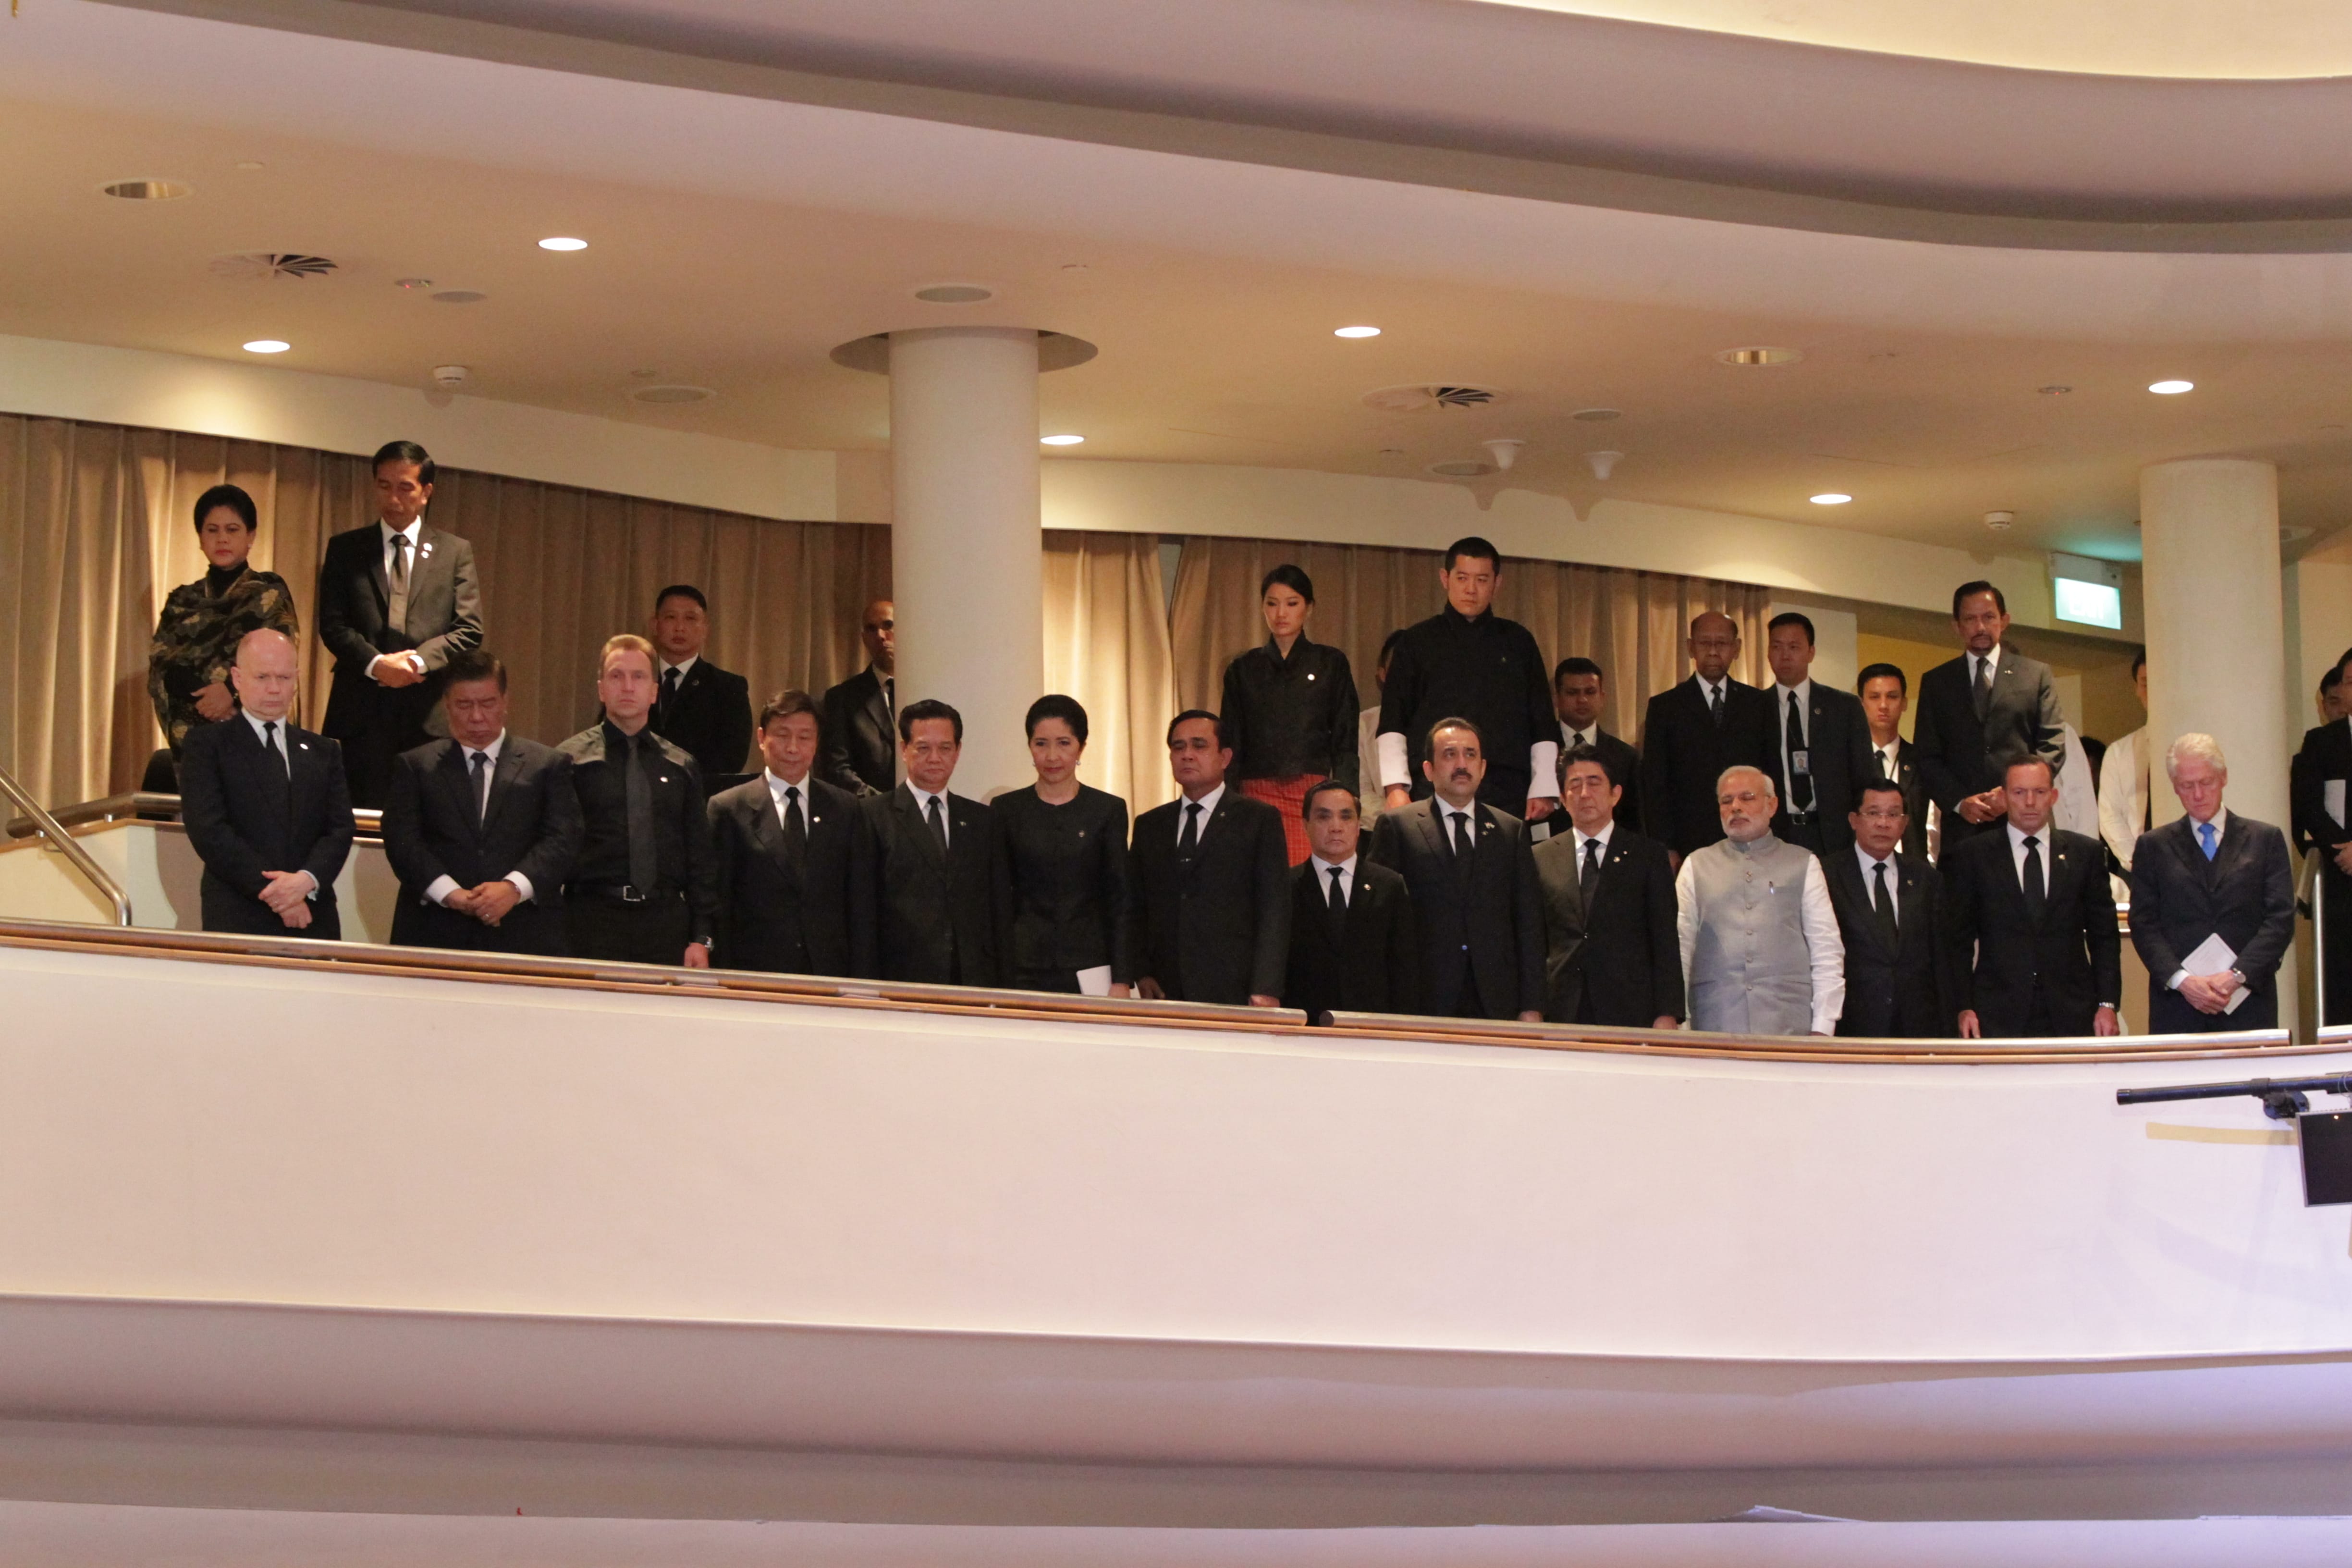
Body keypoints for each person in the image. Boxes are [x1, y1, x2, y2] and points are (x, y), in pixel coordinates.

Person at [315, 440, 485, 808]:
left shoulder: (454, 552)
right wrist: (378, 665)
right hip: (360, 714)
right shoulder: (346, 549)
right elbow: (333, 625)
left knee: (427, 820)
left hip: (428, 716)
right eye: (384, 486)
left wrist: (415, 663)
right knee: (358, 821)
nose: (393, 498)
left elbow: (469, 629)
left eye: (405, 488)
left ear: (426, 492)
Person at [379, 649, 581, 956]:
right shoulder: (416, 766)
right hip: (434, 929)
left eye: (487, 704)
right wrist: (451, 894)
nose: (476, 717)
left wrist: (512, 889)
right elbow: (402, 840)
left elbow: (563, 839)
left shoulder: (547, 765)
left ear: (505, 701)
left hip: (525, 931)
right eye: (464, 705)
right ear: (447, 705)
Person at [176, 628, 353, 938]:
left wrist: (305, 881)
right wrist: (281, 896)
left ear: (296, 679)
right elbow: (210, 830)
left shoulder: (323, 750)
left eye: (284, 678)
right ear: (237, 678)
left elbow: (339, 829)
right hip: (239, 911)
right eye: (262, 677)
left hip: (314, 910)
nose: (274, 689)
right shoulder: (208, 745)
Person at [1368, 718, 1546, 1021]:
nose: (1462, 764)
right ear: (1428, 770)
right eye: (1450, 755)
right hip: (1420, 997)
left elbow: (1528, 923)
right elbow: (1377, 922)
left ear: (1483, 767)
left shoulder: (1510, 831)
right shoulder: (1398, 827)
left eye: (1470, 754)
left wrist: (1532, 1005)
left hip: (1496, 999)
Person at [557, 634, 718, 967]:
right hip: (591, 922)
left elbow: (700, 858)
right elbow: (554, 849)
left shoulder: (681, 766)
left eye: (639, 677)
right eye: (617, 676)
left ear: (655, 691)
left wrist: (701, 936)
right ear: (602, 689)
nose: (628, 687)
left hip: (666, 925)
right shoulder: (568, 761)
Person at [1375, 537, 1558, 821]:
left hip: (1506, 785)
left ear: (1497, 583)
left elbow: (1542, 718)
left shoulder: (1518, 642)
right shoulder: (1416, 642)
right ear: (1445, 578)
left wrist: (1544, 786)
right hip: (1432, 783)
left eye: (1482, 580)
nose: (1471, 589)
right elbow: (1393, 720)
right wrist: (1395, 788)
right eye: (1462, 578)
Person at [1943, 757, 2120, 1039]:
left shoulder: (2085, 854)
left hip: (2073, 1010)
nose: (2029, 802)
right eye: (2019, 792)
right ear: (2003, 797)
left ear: (2053, 797)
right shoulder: (1973, 856)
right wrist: (1964, 1007)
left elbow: (2104, 937)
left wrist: (2107, 1004)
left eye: (2039, 792)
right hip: (1996, 1012)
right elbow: (1957, 941)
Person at [2130, 735, 2295, 1034]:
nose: (2198, 795)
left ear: (2223, 778)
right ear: (2175, 787)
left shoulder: (2264, 840)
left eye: (2206, 783)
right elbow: (2143, 924)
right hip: (2179, 1007)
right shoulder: (2153, 847)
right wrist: (2183, 981)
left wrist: (2237, 975)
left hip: (2248, 1003)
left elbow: (2280, 919)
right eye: (2187, 786)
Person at [1126, 710, 1292, 1006]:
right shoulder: (1150, 825)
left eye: (1199, 745)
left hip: (1235, 986)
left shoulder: (1258, 820)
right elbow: (1136, 906)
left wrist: (1266, 986)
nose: (1187, 755)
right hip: (1164, 989)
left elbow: (1274, 909)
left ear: (1225, 757)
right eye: (1178, 747)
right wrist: (1141, 971)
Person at [706, 689, 869, 978]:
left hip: (829, 970)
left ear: (817, 743)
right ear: (761, 738)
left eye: (805, 737)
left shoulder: (845, 808)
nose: (793, 748)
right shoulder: (729, 808)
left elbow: (857, 903)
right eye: (782, 735)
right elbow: (720, 902)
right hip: (754, 971)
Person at [1675, 766, 1843, 1035]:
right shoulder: (1696, 865)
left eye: (1748, 798)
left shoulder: (1804, 863)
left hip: (1790, 1025)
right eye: (1727, 801)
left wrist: (1824, 1025)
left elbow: (1826, 948)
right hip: (1713, 1023)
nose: (1736, 807)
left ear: (1772, 805)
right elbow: (1679, 949)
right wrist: (1681, 1023)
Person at [858, 698, 1010, 986]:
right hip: (901, 978)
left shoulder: (983, 820)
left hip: (973, 978)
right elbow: (863, 910)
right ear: (904, 749)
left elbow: (998, 909)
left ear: (958, 751)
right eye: (923, 748)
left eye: (945, 748)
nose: (935, 758)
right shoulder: (872, 815)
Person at [1911, 581, 2065, 862]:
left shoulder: (2035, 675)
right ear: (1957, 626)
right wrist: (1959, 802)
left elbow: (2052, 744)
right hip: (1962, 828)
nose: (1980, 627)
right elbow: (1927, 755)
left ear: (2004, 621)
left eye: (1989, 617)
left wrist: (2013, 794)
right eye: (1970, 619)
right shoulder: (1937, 682)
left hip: (2025, 820)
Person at [147, 483, 300, 760]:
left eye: (232, 530)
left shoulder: (268, 593)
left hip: (253, 742)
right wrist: (207, 700)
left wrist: (230, 692)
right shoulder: (182, 600)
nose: (222, 539)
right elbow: (163, 666)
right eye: (212, 530)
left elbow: (280, 660)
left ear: (251, 536)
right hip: (195, 741)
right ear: (200, 537)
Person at [1532, 746, 1681, 1029]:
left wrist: (1668, 1012)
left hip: (1632, 1008)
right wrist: (1532, 1006)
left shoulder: (1648, 856)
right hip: (1562, 1008)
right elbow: (1533, 941)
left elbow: (1664, 939)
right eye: (1575, 785)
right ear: (1563, 799)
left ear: (1616, 793)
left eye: (1594, 782)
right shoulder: (1541, 857)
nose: (1584, 793)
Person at [993, 695, 1133, 995]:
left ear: (1081, 747)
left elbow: (1119, 898)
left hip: (1090, 966)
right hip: (1023, 965)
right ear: (1030, 746)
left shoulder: (1106, 810)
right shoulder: (1006, 810)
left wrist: (1122, 978)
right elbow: (1000, 897)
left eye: (1064, 743)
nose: (1052, 756)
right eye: (1041, 744)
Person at [1220, 564, 1360, 864]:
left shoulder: (1331, 663)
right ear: (1262, 608)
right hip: (1255, 789)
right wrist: (1228, 801)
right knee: (1259, 873)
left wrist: (1347, 797)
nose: (1281, 613)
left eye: (1292, 603)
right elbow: (1232, 742)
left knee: (1309, 877)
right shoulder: (1243, 669)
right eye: (1272, 604)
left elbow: (1345, 736)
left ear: (1309, 608)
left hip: (1312, 790)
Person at [1638, 611, 1778, 864]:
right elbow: (1656, 784)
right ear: (1691, 648)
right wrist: (1665, 846)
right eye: (1705, 643)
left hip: (1751, 836)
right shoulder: (1665, 707)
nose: (1713, 651)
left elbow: (1771, 772)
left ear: (1736, 649)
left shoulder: (1759, 703)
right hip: (1688, 841)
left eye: (1722, 643)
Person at [1824, 778, 1952, 1037]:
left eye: (1893, 815)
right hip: (1851, 1024)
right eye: (1873, 813)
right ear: (1854, 820)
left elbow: (1941, 958)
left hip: (1917, 1026)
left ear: (1904, 823)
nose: (1884, 823)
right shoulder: (1826, 875)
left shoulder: (1926, 879)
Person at [1281, 780, 1418, 1023]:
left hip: (1373, 1026)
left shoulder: (1389, 886)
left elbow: (1404, 968)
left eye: (1346, 817)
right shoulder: (1286, 886)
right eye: (1324, 817)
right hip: (1305, 1026)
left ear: (1358, 826)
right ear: (1305, 825)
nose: (1336, 827)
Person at [1763, 612, 1873, 858]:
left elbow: (1864, 776)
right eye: (1777, 647)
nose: (1785, 655)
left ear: (1811, 652)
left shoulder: (1843, 707)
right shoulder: (1756, 707)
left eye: (1794, 647)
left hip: (1833, 836)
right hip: (1776, 835)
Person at [2292, 649, 2352, 1025]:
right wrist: (2344, 851)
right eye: (2350, 682)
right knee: (2341, 997)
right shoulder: (2321, 742)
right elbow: (2308, 810)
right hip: (2341, 886)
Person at [644, 585, 753, 783]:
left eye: (690, 618)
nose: (680, 627)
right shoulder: (634, 680)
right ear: (655, 625)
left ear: (705, 629)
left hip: (699, 795)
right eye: (671, 617)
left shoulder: (728, 687)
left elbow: (732, 758)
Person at [1550, 658, 1640, 835]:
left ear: (1602, 697)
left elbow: (1634, 823)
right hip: (1547, 848)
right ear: (1557, 698)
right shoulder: (1538, 748)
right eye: (1572, 693)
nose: (1582, 700)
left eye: (1590, 692)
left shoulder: (1625, 756)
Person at [821, 599, 897, 796]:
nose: (881, 635)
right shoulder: (842, 698)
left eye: (888, 625)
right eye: (872, 629)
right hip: (869, 809)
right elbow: (837, 768)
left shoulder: (928, 689)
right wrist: (881, 805)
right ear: (864, 639)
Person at [1856, 662, 1932, 861]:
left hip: (1912, 868)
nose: (1883, 705)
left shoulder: (1922, 760)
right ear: (1861, 703)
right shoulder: (1848, 760)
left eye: (1892, 697)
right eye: (1875, 697)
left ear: (1904, 703)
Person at [2097, 648, 2151, 879]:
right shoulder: (2120, 752)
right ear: (2137, 689)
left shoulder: (2195, 749)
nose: (2153, 692)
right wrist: (2139, 861)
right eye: (2145, 684)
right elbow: (2109, 815)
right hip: (2135, 866)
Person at [1357, 630, 1405, 831]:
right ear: (1383, 674)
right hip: (1379, 831)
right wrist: (1404, 817)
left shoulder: (1442, 729)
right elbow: (1360, 794)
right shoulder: (1364, 723)